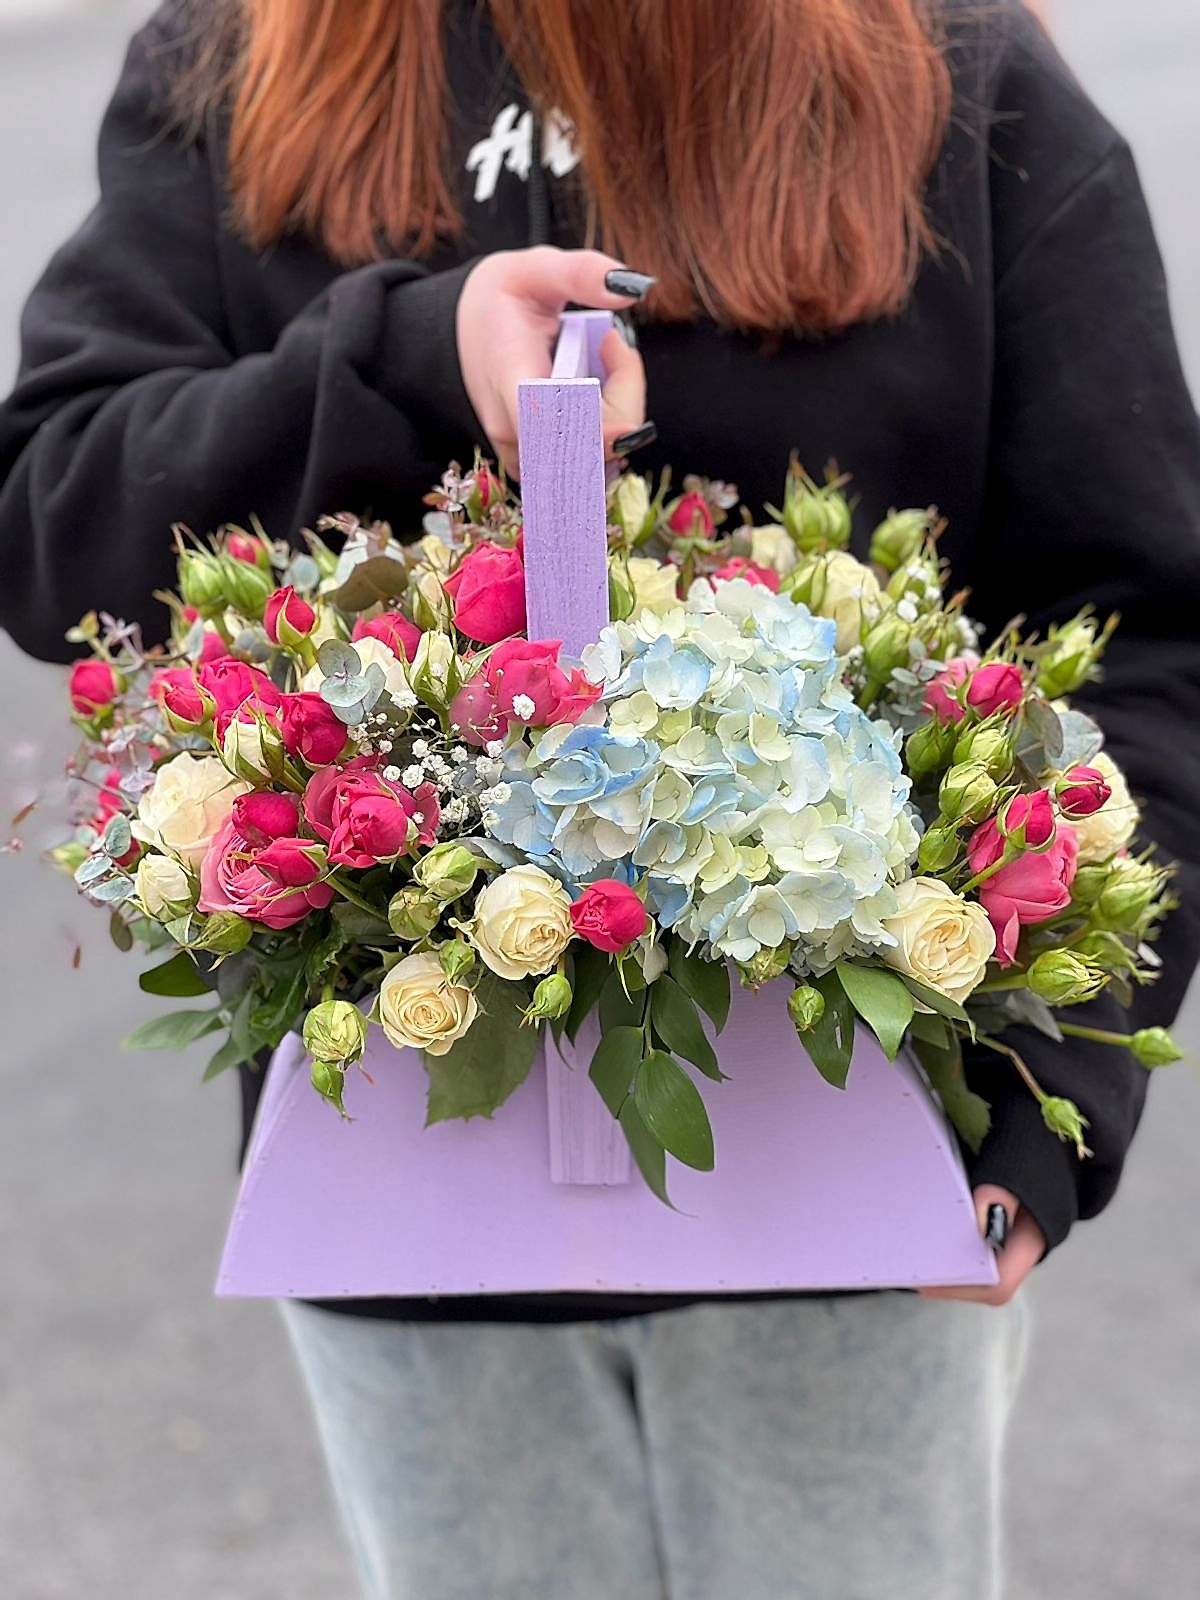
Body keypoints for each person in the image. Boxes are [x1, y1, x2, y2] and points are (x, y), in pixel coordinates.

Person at [2, 2, 1198, 1596]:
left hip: (849, 1222)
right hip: (414, 1216)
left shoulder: (945, 72)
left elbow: (1146, 628)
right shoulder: (251, 54)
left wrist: (1062, 1090)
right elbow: (57, 509)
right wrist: (407, 359)